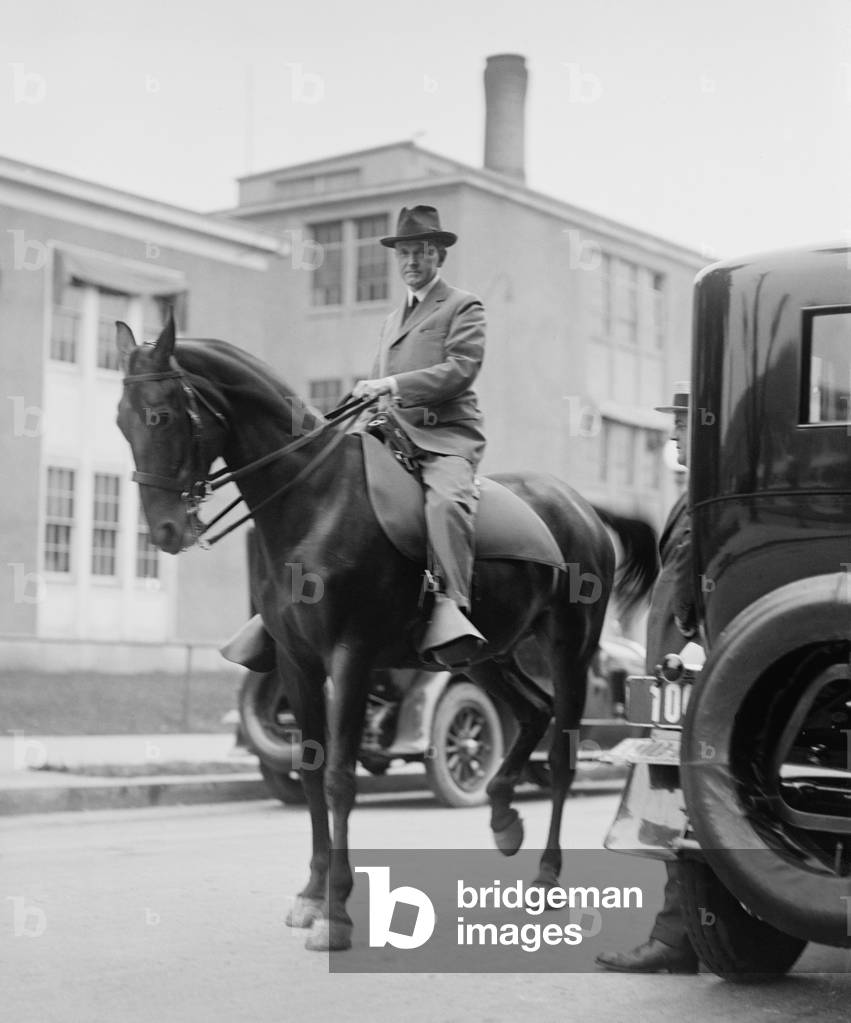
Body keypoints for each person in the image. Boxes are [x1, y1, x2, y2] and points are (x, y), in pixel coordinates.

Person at [352, 205, 487, 668]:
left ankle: (454, 607)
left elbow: (460, 371)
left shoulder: (462, 306)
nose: (411, 262)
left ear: (439, 256)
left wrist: (392, 386)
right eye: (404, 253)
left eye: (421, 252)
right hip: (391, 434)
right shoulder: (392, 320)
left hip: (442, 438)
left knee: (447, 502)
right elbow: (376, 383)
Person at [595, 385, 699, 974]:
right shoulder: (693, 498)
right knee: (669, 799)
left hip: (685, 678)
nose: (674, 437)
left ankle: (675, 937)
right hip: (669, 677)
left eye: (682, 425)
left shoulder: (713, 499)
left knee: (678, 804)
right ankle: (685, 934)